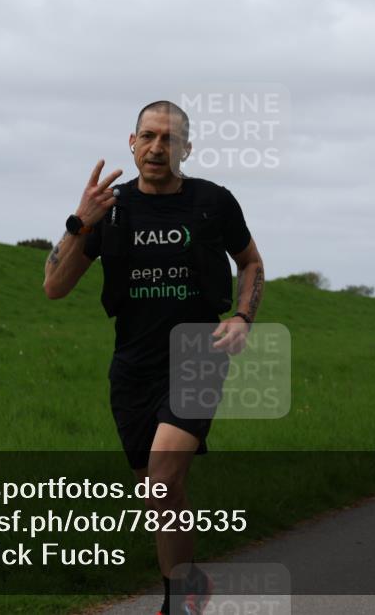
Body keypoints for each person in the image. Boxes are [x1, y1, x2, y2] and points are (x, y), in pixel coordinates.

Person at [42, 101, 265, 615]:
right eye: (149, 136)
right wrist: (80, 222)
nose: (158, 148)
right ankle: (189, 585)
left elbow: (250, 262)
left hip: (197, 355)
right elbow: (54, 287)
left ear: (187, 147)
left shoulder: (213, 202)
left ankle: (174, 604)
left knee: (163, 482)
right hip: (132, 365)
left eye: (170, 139)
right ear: (132, 142)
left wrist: (242, 316)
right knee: (161, 497)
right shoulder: (109, 208)